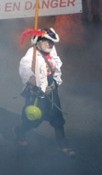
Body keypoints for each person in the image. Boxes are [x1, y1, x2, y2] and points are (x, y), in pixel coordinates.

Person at [13, 28, 75, 157]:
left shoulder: (52, 51)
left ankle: (63, 145)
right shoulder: (32, 52)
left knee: (58, 119)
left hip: (52, 91)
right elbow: (24, 66)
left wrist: (55, 81)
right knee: (34, 119)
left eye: (51, 42)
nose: (50, 44)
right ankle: (20, 131)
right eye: (47, 41)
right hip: (37, 93)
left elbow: (56, 65)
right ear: (39, 42)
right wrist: (31, 77)